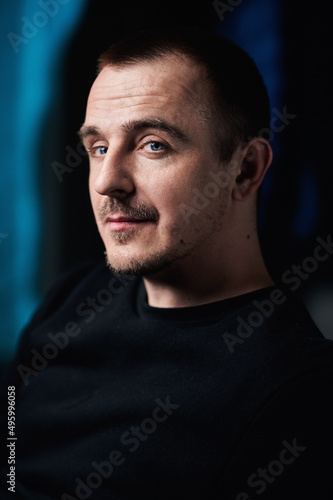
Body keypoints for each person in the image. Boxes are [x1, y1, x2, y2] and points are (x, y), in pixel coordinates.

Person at [1, 27, 333, 500]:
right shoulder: (72, 297)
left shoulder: (298, 391)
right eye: (98, 147)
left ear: (245, 170)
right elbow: (11, 460)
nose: (107, 182)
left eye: (152, 144)